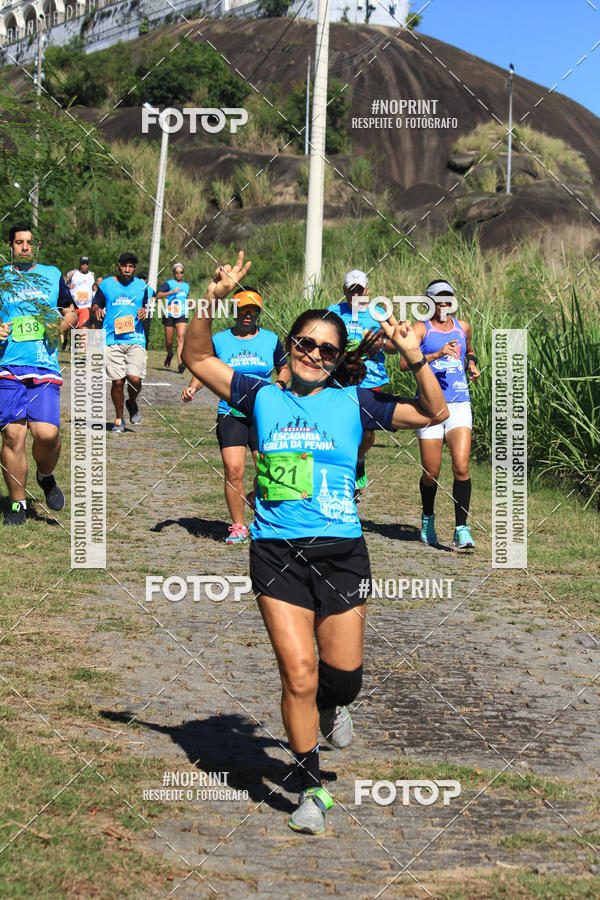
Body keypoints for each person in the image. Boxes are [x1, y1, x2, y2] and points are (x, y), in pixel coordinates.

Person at [182, 252, 448, 835]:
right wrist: (213, 297)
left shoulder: (355, 402)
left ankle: (336, 704)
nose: (314, 356)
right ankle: (308, 789)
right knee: (297, 671)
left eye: (328, 350)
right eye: (305, 344)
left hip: (340, 554)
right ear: (291, 345)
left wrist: (413, 356)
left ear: (337, 359)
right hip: (276, 551)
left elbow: (436, 410)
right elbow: (197, 356)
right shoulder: (261, 397)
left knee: (342, 678)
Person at [182, 286, 290, 545]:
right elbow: (203, 366)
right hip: (231, 411)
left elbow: (284, 367)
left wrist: (281, 386)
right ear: (234, 310)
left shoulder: (271, 339)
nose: (247, 315)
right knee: (233, 470)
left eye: (252, 310)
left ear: (258, 313)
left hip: (264, 412)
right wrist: (192, 387)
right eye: (242, 309)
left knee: (269, 469)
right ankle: (239, 526)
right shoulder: (219, 340)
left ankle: (259, 506)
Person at [0, 223, 77, 525]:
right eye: (19, 242)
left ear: (36, 246)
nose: (25, 247)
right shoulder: (2, 277)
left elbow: (71, 310)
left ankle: (45, 475)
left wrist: (61, 326)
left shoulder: (51, 274)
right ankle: (18, 504)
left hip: (43, 364)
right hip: (8, 366)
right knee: (12, 435)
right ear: (10, 246)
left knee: (47, 433)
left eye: (29, 242)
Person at [400, 279, 480, 549]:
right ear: (429, 301)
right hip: (430, 406)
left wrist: (471, 364)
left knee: (461, 466)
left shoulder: (463, 327)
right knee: (432, 471)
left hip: (459, 403)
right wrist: (435, 354)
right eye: (439, 298)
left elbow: (469, 352)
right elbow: (403, 363)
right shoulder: (420, 329)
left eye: (448, 298)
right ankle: (428, 518)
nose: (444, 303)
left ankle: (461, 529)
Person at [327, 269, 398, 499]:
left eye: (360, 289)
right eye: (351, 290)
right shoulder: (333, 312)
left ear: (367, 290)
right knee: (341, 427)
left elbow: (394, 347)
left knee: (367, 433)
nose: (356, 294)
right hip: (341, 377)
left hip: (371, 379)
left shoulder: (378, 313)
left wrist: (380, 343)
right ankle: (342, 475)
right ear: (345, 291)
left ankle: (359, 460)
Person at [91, 252, 153, 433]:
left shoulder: (142, 286)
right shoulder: (107, 285)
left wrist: (144, 311)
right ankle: (119, 419)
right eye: (124, 266)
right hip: (112, 339)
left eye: (131, 266)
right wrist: (97, 310)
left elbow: (145, 307)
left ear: (135, 268)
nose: (128, 269)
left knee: (135, 379)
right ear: (118, 266)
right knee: (117, 382)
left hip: (136, 338)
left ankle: (132, 402)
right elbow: (96, 303)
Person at [156, 263, 190, 374]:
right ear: (174, 273)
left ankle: (180, 362)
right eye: (177, 272)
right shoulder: (168, 284)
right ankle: (170, 354)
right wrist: (171, 292)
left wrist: (188, 303)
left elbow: (185, 298)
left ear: (183, 273)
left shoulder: (186, 286)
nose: (179, 274)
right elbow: (158, 295)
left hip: (182, 314)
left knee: (180, 338)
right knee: (169, 342)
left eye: (181, 272)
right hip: (170, 314)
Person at [65, 256, 95, 330]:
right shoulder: (73, 273)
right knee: (71, 329)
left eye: (86, 264)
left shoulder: (92, 275)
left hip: (86, 307)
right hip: (73, 307)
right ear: (80, 264)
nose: (84, 266)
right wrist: (68, 287)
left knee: (84, 329)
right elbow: (62, 285)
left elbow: (94, 288)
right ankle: (65, 341)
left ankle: (85, 341)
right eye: (83, 264)